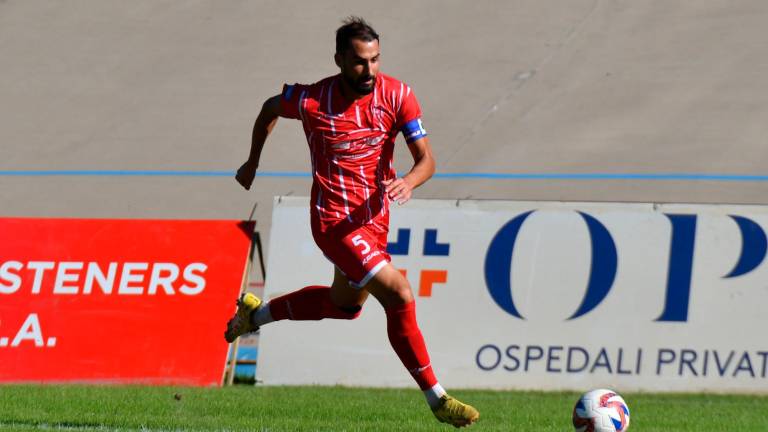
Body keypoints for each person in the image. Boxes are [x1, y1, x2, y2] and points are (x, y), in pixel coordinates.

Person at [226, 17, 479, 428]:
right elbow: (269, 108)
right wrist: (253, 161)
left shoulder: (398, 95)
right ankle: (438, 398)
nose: (370, 70)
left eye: (376, 59)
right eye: (361, 62)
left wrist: (409, 182)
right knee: (398, 292)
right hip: (333, 222)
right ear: (340, 59)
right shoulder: (311, 100)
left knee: (343, 307)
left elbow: (427, 160)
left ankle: (253, 317)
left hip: (374, 220)